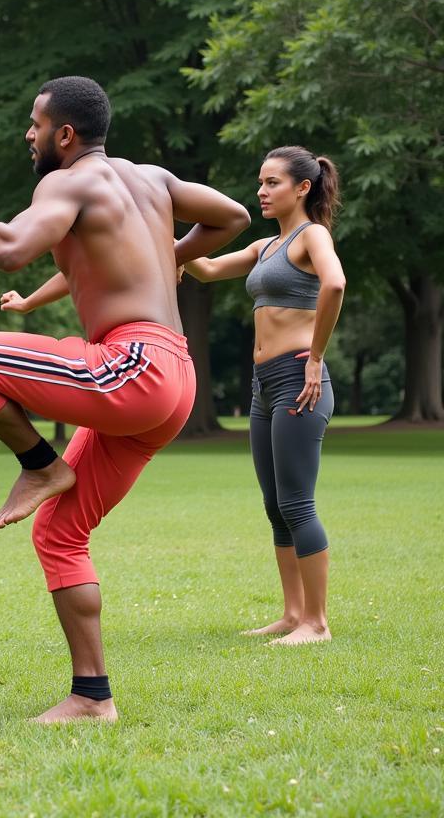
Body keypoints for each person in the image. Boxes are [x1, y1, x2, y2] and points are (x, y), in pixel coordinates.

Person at [0, 76, 250, 723]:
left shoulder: (65, 181)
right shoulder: (152, 179)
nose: (28, 135)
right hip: (176, 377)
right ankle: (92, 698)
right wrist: (171, 256)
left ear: (64, 135)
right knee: (60, 529)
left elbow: (11, 250)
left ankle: (40, 464)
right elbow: (233, 216)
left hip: (132, 368)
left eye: (35, 124)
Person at [183, 146, 344, 647]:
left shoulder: (311, 235)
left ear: (302, 187)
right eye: (260, 182)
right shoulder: (264, 248)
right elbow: (204, 270)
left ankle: (316, 623)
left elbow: (334, 283)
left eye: (272, 182)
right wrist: (150, 224)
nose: (261, 191)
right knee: (275, 505)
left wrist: (316, 356)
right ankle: (293, 612)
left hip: (300, 378)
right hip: (263, 383)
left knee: (298, 502)